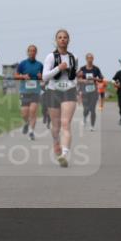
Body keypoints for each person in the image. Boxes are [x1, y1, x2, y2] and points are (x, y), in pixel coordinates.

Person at [43, 29, 78, 167]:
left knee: (65, 124)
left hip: (69, 91)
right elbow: (44, 76)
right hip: (53, 91)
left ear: (69, 40)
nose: (62, 39)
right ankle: (56, 142)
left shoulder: (73, 57)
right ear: (56, 40)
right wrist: (59, 68)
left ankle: (64, 154)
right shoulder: (50, 57)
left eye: (65, 37)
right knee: (56, 126)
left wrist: (74, 84)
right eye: (60, 37)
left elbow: (74, 75)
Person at [14, 45, 43, 141]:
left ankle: (31, 131)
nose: (32, 52)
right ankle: (26, 123)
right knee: (24, 113)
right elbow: (16, 76)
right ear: (27, 52)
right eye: (30, 51)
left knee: (33, 111)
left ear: (36, 52)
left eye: (34, 51)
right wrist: (23, 76)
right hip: (24, 91)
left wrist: (40, 77)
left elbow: (44, 78)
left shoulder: (40, 65)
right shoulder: (22, 64)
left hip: (36, 91)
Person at [78, 53, 103, 131]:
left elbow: (101, 79)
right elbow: (77, 79)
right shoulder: (82, 69)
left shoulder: (96, 69)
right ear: (86, 59)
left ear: (93, 59)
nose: (90, 59)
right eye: (88, 58)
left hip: (93, 91)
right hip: (84, 91)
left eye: (91, 58)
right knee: (86, 108)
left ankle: (92, 126)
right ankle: (85, 117)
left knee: (92, 109)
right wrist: (83, 80)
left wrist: (95, 79)